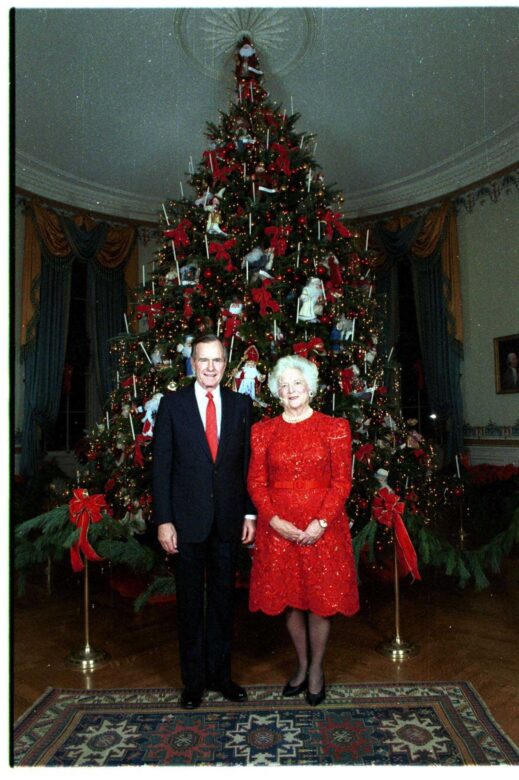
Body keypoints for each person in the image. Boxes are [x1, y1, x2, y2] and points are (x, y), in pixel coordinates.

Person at [247, 355, 359, 706]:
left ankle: (316, 670)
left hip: (322, 529)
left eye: (297, 383)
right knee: (290, 601)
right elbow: (256, 482)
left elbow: (342, 482)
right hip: (279, 530)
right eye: (284, 385)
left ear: (310, 388)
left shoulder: (334, 427)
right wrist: (273, 520)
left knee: (320, 602)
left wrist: (320, 522)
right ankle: (302, 664)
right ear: (277, 392)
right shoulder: (263, 431)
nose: (291, 390)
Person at [152, 334, 256, 709]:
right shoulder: (172, 404)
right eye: (203, 360)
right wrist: (165, 521)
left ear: (225, 365)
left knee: (224, 603)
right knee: (190, 605)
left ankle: (221, 677)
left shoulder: (242, 405)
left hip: (228, 521)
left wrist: (249, 513)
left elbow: (247, 464)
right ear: (192, 363)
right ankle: (193, 683)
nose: (210, 367)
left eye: (217, 360)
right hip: (186, 523)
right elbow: (161, 467)